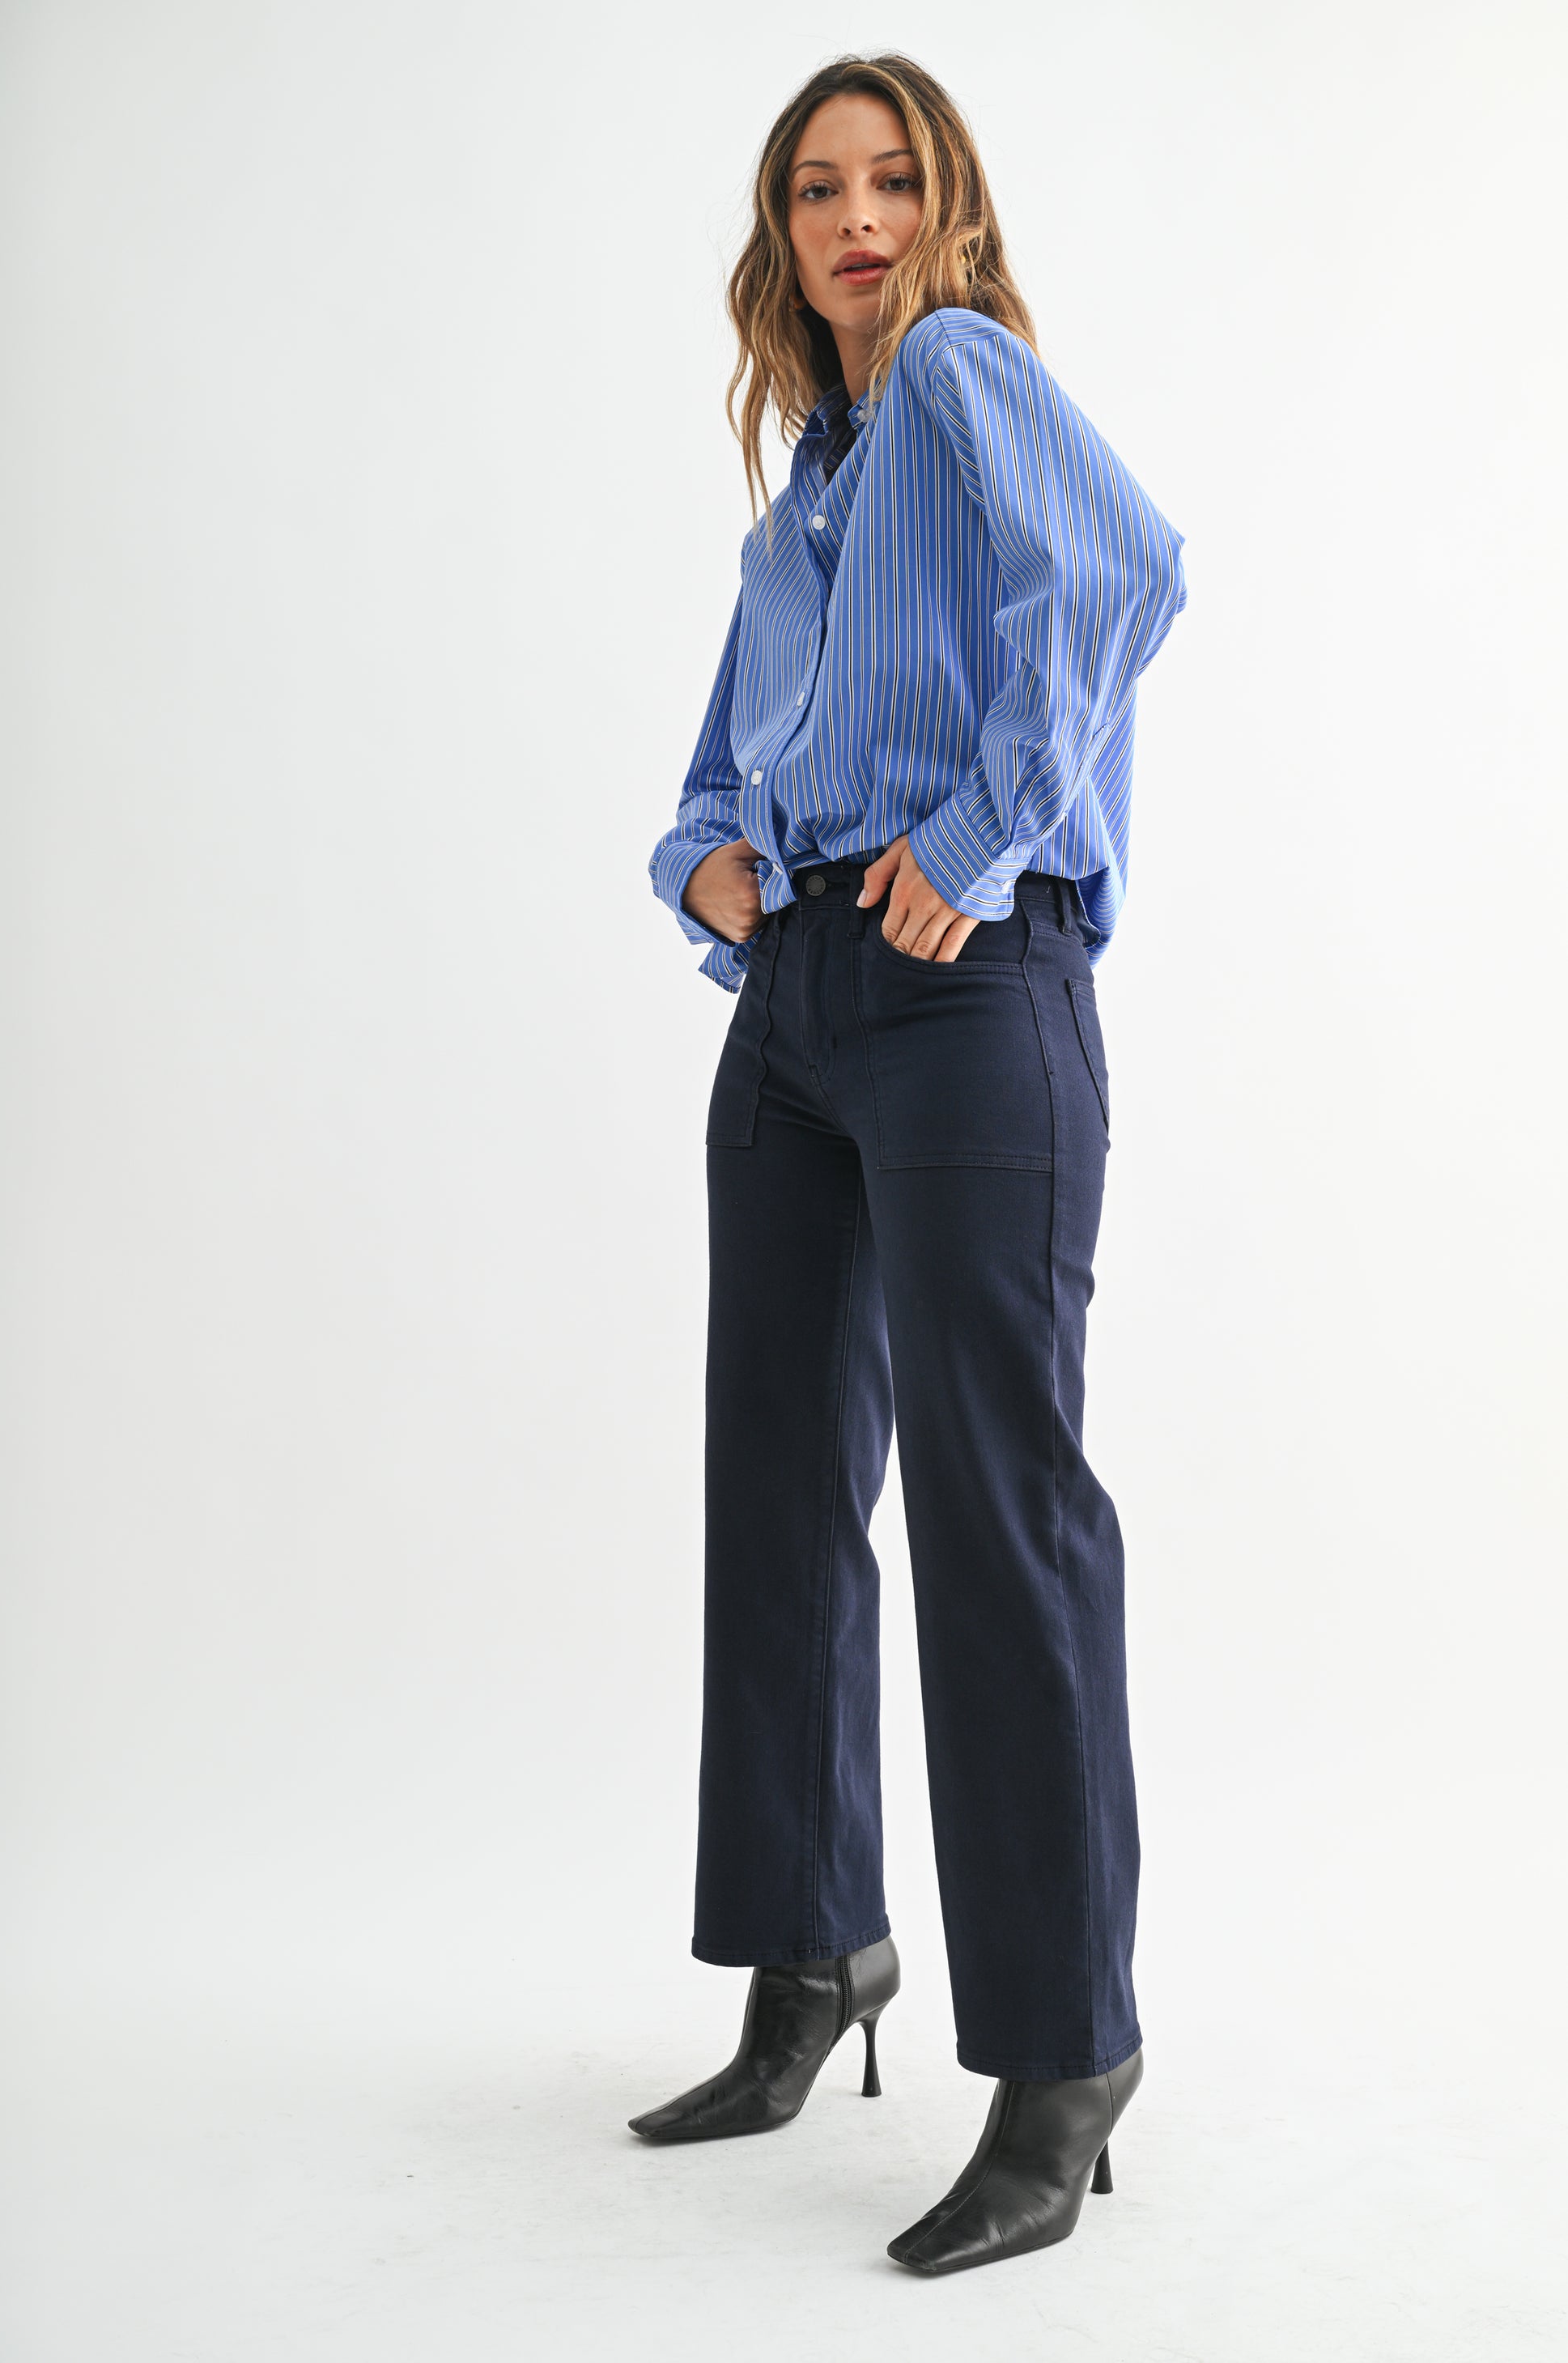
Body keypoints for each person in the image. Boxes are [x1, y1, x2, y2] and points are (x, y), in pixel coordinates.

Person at [631, 53, 1187, 2278]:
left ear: (945, 208)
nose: (853, 218)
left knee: (993, 1506)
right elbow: (719, 772)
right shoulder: (810, 490)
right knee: (776, 1488)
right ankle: (809, 1954)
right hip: (797, 1017)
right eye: (814, 189)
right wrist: (707, 867)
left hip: (971, 1002)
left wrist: (971, 837)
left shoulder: (960, 374)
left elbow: (1126, 575)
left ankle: (1061, 2064)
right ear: (779, 236)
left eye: (890, 180)